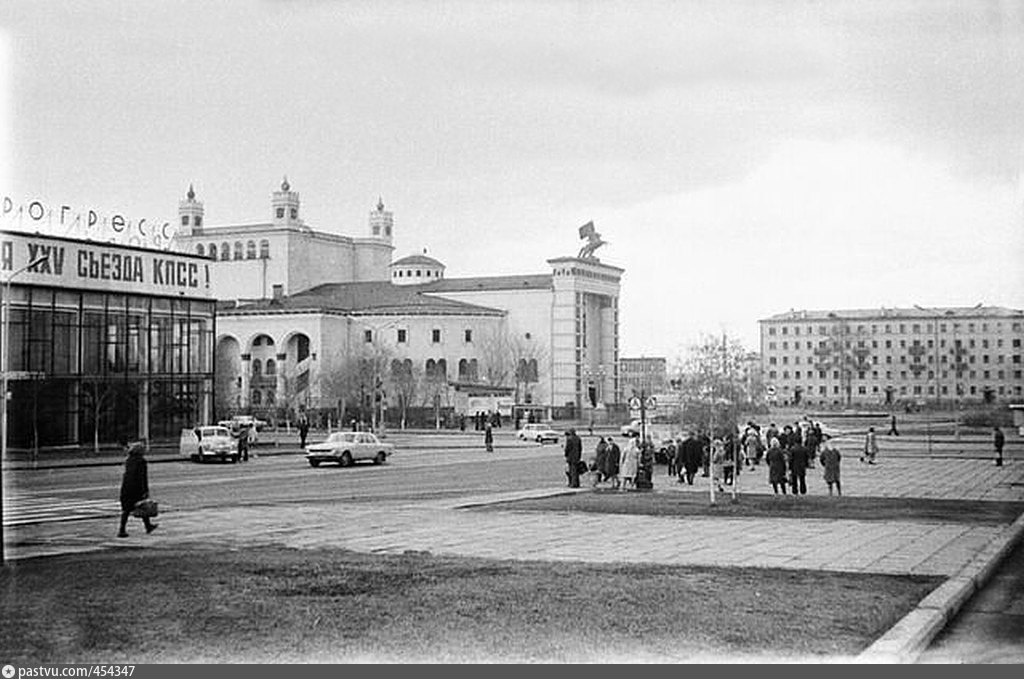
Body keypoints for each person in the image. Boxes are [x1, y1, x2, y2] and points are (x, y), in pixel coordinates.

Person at [117, 439, 157, 537]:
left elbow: (128, 475)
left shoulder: (129, 460)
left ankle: (123, 529)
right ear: (140, 451)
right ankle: (147, 526)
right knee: (143, 506)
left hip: (126, 488)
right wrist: (145, 491)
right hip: (136, 489)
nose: (144, 451)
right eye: (143, 449)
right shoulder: (141, 461)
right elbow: (142, 477)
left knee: (126, 510)